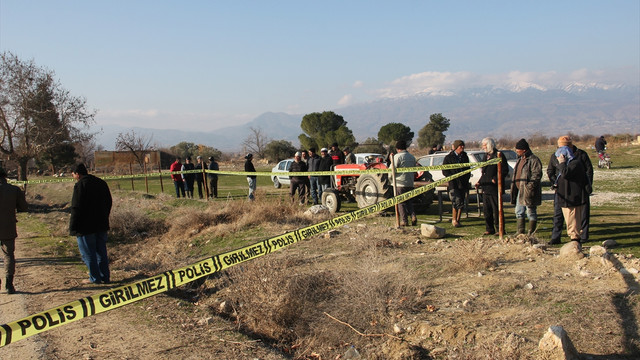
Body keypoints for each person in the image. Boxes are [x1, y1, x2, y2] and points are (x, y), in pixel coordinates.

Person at [69, 163, 112, 284]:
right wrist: (105, 217)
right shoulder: (101, 183)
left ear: (77, 174)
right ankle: (105, 276)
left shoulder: (80, 186)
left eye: (73, 174)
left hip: (85, 227)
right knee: (101, 252)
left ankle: (95, 278)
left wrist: (73, 227)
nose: (73, 176)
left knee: (88, 254)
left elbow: (76, 207)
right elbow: (109, 202)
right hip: (101, 224)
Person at [547, 135, 593, 244]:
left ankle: (581, 236)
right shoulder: (555, 156)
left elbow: (588, 171)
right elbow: (550, 171)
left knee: (580, 215)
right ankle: (556, 236)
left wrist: (587, 185)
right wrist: (555, 182)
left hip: (576, 190)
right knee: (558, 215)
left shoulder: (579, 157)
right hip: (561, 190)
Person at [554, 145, 590, 246]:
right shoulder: (568, 164)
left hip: (572, 196)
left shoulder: (575, 163)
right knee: (569, 219)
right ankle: (573, 238)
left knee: (573, 220)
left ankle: (575, 240)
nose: (558, 159)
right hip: (566, 196)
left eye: (559, 156)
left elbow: (565, 173)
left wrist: (562, 163)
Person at [0, 167, 28, 294]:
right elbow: (23, 207)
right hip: (8, 227)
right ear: (5, 176)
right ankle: (8, 284)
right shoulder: (14, 190)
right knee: (8, 255)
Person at [476, 137, 509, 235]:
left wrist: (496, 178)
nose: (483, 147)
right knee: (487, 211)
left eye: (484, 145)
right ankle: (489, 228)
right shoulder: (485, 157)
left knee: (497, 210)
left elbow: (504, 170)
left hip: (495, 188)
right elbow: (484, 172)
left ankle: (500, 229)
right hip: (486, 187)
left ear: (490, 145)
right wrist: (479, 182)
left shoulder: (498, 155)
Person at [510, 138, 542, 235]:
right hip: (520, 190)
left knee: (530, 211)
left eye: (518, 149)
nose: (516, 151)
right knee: (519, 211)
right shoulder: (520, 160)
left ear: (524, 150)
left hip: (528, 191)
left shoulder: (534, 160)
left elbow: (536, 175)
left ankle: (531, 232)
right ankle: (520, 231)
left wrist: (529, 187)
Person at [442, 140, 471, 227]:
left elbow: (467, 169)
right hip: (454, 183)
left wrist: (466, 177)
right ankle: (454, 219)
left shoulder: (465, 156)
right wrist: (452, 177)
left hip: (463, 183)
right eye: (460, 146)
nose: (462, 148)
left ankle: (458, 219)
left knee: (461, 202)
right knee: (456, 201)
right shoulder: (448, 158)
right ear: (456, 147)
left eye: (463, 146)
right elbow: (445, 171)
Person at [393, 140, 417, 226]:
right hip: (410, 183)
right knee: (409, 202)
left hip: (400, 183)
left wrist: (390, 179)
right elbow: (415, 170)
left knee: (401, 203)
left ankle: (404, 220)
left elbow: (392, 169)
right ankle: (413, 216)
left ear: (398, 149)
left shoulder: (397, 157)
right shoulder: (412, 157)